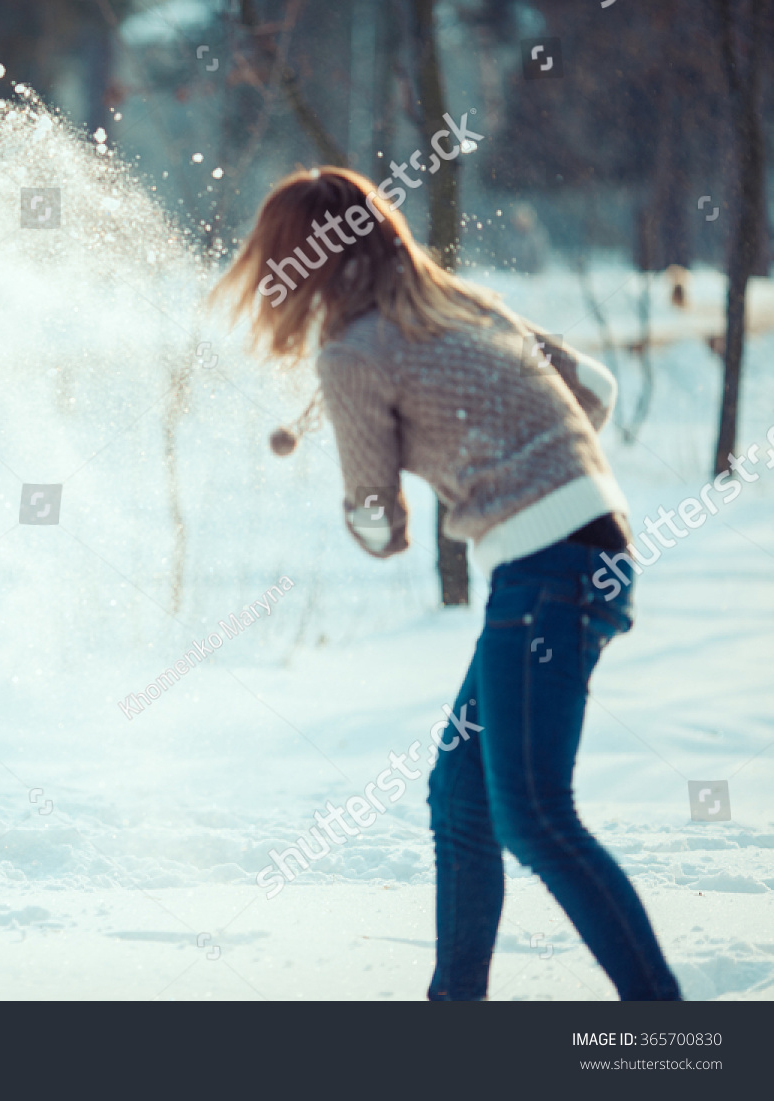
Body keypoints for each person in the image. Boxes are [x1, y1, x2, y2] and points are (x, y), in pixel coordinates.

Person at [214, 167, 680, 1000]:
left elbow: (381, 529)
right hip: (589, 553)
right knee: (461, 798)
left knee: (535, 816)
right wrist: (498, 430)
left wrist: (371, 478)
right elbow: (595, 396)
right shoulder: (466, 306)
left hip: (545, 576)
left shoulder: (352, 355)